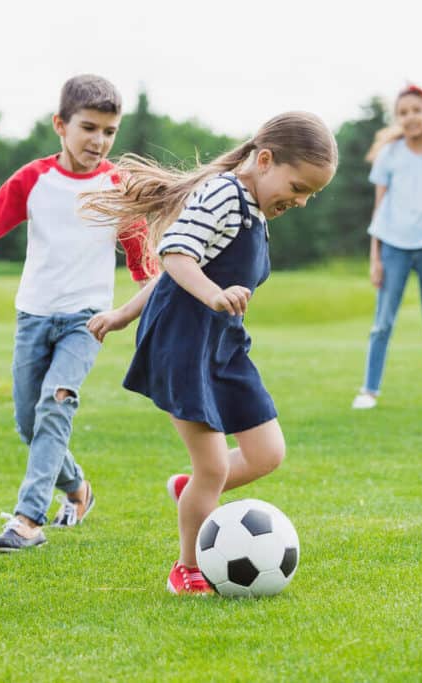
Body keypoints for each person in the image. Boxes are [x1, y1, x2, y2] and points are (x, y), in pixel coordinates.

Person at [83, 112, 337, 594]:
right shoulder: (224, 193)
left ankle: (192, 493)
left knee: (267, 453)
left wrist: (123, 313)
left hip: (222, 345)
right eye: (298, 185)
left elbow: (167, 275)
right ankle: (187, 567)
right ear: (264, 160)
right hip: (182, 343)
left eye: (311, 194)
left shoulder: (256, 208)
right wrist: (212, 296)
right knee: (214, 466)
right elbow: (176, 255)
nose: (301, 201)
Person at [0, 74, 152, 552]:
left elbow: (146, 265)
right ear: (61, 124)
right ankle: (78, 488)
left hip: (87, 320)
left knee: (56, 404)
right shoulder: (34, 179)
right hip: (34, 316)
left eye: (109, 131)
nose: (99, 141)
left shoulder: (120, 188)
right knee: (28, 421)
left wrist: (138, 310)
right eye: (89, 128)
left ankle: (27, 520)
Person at [351, 84, 422, 413]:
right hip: (393, 246)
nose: (410, 117)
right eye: (403, 113)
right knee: (382, 322)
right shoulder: (389, 155)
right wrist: (375, 258)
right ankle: (369, 391)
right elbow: (379, 208)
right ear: (397, 118)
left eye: (416, 110)